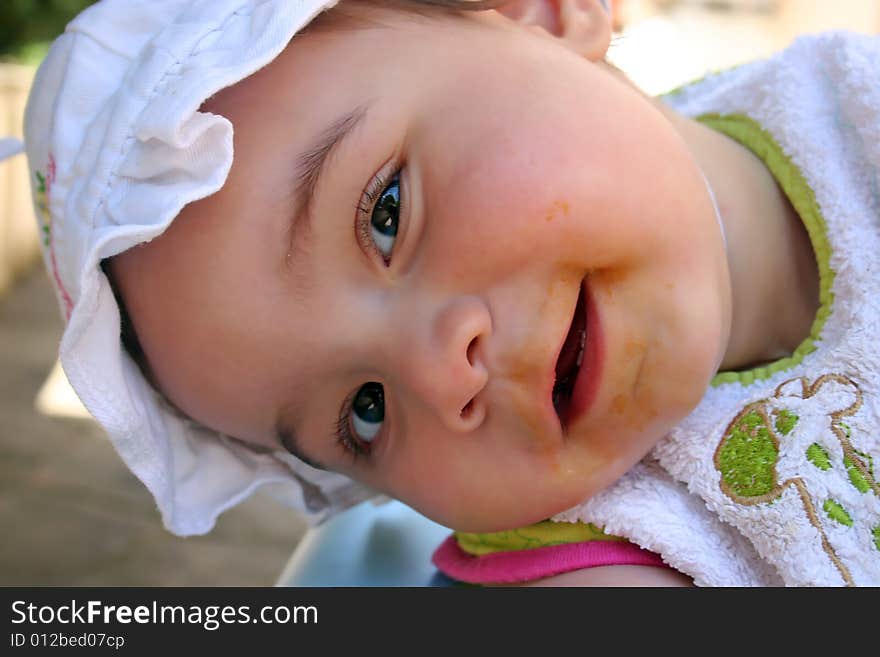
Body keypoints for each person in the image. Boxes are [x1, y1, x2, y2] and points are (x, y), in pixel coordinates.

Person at [21, 0, 879, 586]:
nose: (439, 374)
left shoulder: (851, 107)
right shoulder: (605, 550)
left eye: (386, 213)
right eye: (364, 411)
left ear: (540, 14)